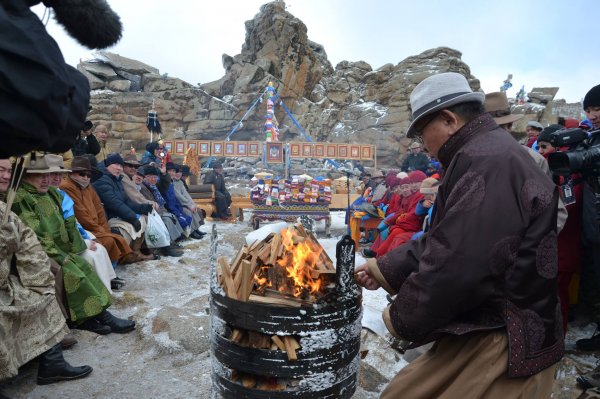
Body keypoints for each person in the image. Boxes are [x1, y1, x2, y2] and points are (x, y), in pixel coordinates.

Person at [355, 72, 562, 398]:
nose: (424, 146)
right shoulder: (484, 153)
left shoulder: (487, 161)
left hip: (503, 335)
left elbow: (461, 263)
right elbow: (447, 236)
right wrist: (382, 269)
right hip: (493, 324)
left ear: (448, 120)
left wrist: (398, 316)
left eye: (423, 134)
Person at [11, 154, 136, 335]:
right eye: (41, 175)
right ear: (27, 176)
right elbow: (35, 233)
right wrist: (63, 253)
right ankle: (85, 318)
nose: (47, 180)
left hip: (62, 247)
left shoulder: (51, 193)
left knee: (83, 263)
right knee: (72, 269)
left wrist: (75, 246)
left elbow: (69, 221)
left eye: (51, 175)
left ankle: (96, 315)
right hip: (40, 250)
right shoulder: (22, 198)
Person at [0, 158, 92, 385]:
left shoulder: (5, 208)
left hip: (6, 281)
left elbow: (28, 244)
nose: (5, 176)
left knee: (42, 293)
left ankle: (52, 364)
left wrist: (37, 280)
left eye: (8, 171)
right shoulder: (18, 200)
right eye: (0, 170)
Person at [484, 91, 567, 233]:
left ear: (510, 126)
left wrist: (526, 247)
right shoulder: (468, 159)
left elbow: (554, 214)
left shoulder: (532, 159)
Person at [60, 156, 152, 265]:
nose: (85, 177)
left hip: (97, 227)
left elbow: (100, 210)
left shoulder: (89, 186)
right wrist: (101, 230)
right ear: (71, 173)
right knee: (111, 241)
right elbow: (81, 215)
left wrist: (104, 229)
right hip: (86, 230)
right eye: (81, 174)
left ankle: (127, 259)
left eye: (88, 175)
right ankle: (112, 273)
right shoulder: (67, 187)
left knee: (115, 238)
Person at [537, 125, 584, 332]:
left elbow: (568, 206)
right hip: (557, 248)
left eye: (544, 146)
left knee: (557, 297)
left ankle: (557, 337)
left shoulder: (566, 171)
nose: (540, 152)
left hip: (561, 248)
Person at [92, 153, 153, 245]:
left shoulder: (116, 179)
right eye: (116, 164)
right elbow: (113, 202)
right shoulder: (102, 179)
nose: (119, 168)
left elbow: (125, 201)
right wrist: (132, 217)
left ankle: (136, 252)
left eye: (121, 165)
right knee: (132, 224)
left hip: (116, 214)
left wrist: (142, 208)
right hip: (108, 217)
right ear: (108, 165)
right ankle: (128, 254)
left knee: (143, 218)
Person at [168, 162, 205, 239]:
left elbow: (186, 194)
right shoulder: (172, 182)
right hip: (178, 204)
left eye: (180, 172)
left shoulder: (180, 182)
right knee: (188, 212)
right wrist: (188, 205)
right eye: (177, 172)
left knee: (195, 210)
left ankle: (196, 229)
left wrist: (192, 204)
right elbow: (178, 196)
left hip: (184, 203)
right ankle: (191, 232)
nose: (178, 174)